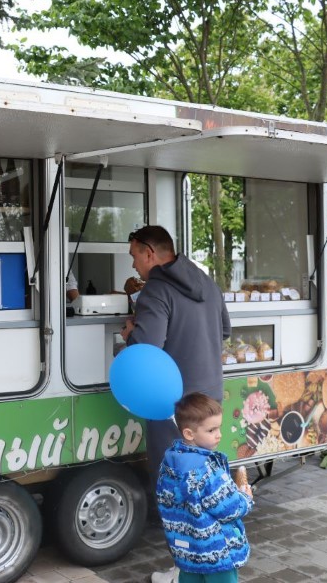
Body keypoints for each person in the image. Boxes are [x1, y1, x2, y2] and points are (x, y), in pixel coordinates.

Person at [119, 225, 230, 582]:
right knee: (204, 488)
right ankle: (208, 563)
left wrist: (130, 335)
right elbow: (224, 332)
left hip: (175, 408)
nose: (133, 264)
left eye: (134, 255)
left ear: (149, 253)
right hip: (210, 401)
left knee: (175, 492)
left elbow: (147, 347)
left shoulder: (156, 290)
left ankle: (185, 570)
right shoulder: (206, 282)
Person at [155, 393, 253, 583]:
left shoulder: (169, 463)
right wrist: (245, 498)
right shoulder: (207, 469)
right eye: (211, 430)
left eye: (219, 427)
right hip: (215, 554)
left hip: (186, 552)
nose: (219, 434)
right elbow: (228, 508)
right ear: (189, 434)